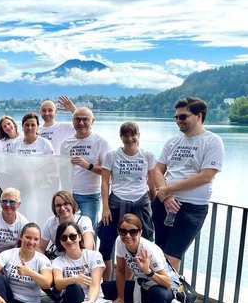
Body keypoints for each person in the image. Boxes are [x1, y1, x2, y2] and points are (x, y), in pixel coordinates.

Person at [152, 97, 224, 271]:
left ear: (198, 116)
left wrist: (168, 189)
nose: (178, 121)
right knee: (158, 253)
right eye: (176, 117)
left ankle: (170, 295)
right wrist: (166, 195)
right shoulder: (173, 141)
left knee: (171, 256)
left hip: (191, 208)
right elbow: (157, 170)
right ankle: (157, 295)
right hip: (164, 204)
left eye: (183, 117)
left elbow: (206, 176)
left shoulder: (212, 141)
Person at [101, 214, 179, 303]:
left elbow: (167, 282)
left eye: (133, 232)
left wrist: (148, 271)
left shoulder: (149, 250)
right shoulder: (120, 242)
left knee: (156, 292)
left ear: (140, 232)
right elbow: (120, 270)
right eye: (123, 231)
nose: (128, 236)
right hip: (143, 284)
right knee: (105, 288)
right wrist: (120, 297)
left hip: (167, 289)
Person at [98, 122, 156, 279]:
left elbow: (151, 182)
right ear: (121, 137)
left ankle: (128, 283)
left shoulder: (147, 155)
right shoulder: (112, 155)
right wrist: (105, 207)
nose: (129, 139)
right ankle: (106, 283)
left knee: (137, 245)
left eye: (133, 135)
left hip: (140, 202)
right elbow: (104, 182)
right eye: (126, 135)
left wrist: (153, 204)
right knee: (106, 243)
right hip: (116, 202)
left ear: (138, 135)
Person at [60, 107, 111, 223]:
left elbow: (108, 172)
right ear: (72, 121)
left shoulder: (101, 142)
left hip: (90, 195)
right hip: (70, 195)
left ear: (92, 121)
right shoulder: (66, 143)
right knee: (69, 229)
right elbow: (62, 170)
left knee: (88, 230)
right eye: (77, 119)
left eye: (85, 119)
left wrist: (88, 165)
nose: (81, 123)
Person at [38, 191, 95, 258]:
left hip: (80, 259)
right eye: (58, 205)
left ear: (72, 204)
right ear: (54, 208)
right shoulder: (50, 222)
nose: (62, 208)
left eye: (65, 204)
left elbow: (88, 247)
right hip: (58, 260)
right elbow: (40, 249)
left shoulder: (84, 221)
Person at [0, 188, 29, 262]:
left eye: (12, 202)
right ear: (0, 202)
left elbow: (22, 247)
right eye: (4, 201)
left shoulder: (23, 222)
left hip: (12, 259)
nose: (7, 205)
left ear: (18, 204)